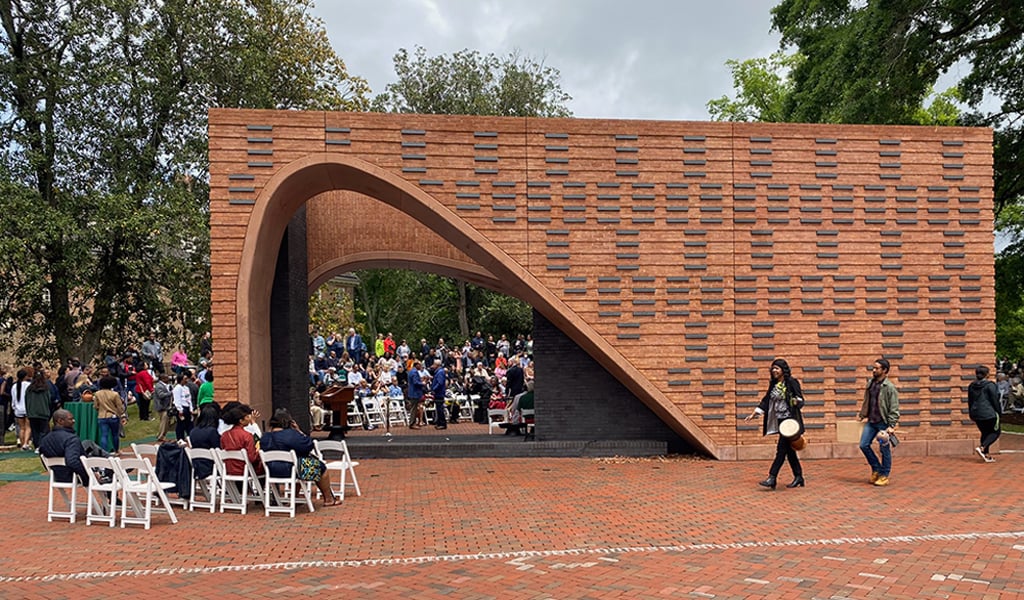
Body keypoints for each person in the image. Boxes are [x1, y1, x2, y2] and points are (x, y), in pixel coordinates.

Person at [745, 358, 805, 490]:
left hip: (790, 422)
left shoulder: (791, 382)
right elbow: (766, 400)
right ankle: (799, 476)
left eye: (777, 368)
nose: (774, 371)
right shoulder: (773, 384)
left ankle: (772, 477)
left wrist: (795, 401)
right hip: (779, 421)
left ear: (783, 370)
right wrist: (755, 413)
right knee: (789, 451)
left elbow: (801, 400)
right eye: (773, 368)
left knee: (781, 450)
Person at [260, 408, 341, 507]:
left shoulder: (265, 437)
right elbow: (308, 445)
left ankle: (296, 497)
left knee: (298, 463)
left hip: (271, 471)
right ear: (289, 422)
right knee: (321, 468)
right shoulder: (291, 434)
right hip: (293, 470)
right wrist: (299, 431)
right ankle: (328, 498)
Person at [858, 358, 900, 486]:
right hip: (871, 421)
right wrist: (862, 415)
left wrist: (891, 425)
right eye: (873, 368)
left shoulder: (890, 387)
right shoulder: (870, 383)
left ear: (884, 370)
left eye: (877, 368)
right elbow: (867, 401)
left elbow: (894, 407)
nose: (874, 370)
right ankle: (876, 468)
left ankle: (884, 475)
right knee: (863, 445)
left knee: (884, 450)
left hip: (883, 423)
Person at [38, 409, 89, 484]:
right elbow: (72, 462)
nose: (74, 421)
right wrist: (87, 477)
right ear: (60, 421)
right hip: (73, 477)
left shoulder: (45, 440)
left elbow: (43, 459)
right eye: (70, 419)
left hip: (57, 476)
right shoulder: (71, 439)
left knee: (88, 444)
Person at [967, 365, 1001, 463]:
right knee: (995, 432)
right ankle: (982, 447)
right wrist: (998, 411)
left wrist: (971, 413)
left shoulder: (971, 386)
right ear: (987, 374)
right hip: (988, 412)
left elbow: (970, 400)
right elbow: (995, 400)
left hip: (976, 412)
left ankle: (985, 454)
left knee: (985, 433)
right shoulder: (990, 385)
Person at [220, 404, 263, 476]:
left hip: (229, 469)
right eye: (247, 417)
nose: (249, 419)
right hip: (244, 470)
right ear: (241, 421)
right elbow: (252, 458)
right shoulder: (247, 435)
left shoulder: (224, 435)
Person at [93, 375, 126, 454]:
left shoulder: (97, 394)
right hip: (113, 416)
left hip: (101, 416)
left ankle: (104, 452)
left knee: (104, 435)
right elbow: (120, 407)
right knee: (115, 434)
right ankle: (116, 450)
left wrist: (100, 410)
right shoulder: (115, 394)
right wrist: (122, 415)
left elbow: (95, 406)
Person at [188, 403, 222, 479]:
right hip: (210, 466)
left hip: (196, 465)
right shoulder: (212, 431)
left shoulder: (193, 431)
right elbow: (218, 449)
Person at [25, 369, 53, 450]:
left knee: (35, 430)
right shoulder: (46, 388)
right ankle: (41, 445)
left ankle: (37, 445)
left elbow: (27, 400)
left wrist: (29, 411)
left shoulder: (29, 389)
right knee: (43, 430)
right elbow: (49, 400)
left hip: (32, 413)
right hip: (43, 412)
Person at [10, 368, 31, 450]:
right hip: (27, 408)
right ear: (25, 376)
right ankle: (26, 443)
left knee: (21, 428)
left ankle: (22, 444)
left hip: (18, 409)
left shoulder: (14, 386)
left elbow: (13, 399)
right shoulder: (28, 385)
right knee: (28, 427)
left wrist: (14, 407)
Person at [172, 372, 194, 442]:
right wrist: (180, 410)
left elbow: (189, 399)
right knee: (181, 425)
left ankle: (190, 437)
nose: (187, 380)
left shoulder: (186, 388)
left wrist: (191, 408)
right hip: (182, 408)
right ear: (181, 380)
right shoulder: (177, 388)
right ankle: (180, 439)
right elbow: (177, 400)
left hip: (187, 408)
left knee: (189, 424)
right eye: (185, 379)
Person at [153, 372, 173, 443]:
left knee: (167, 422)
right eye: (167, 378)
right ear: (163, 379)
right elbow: (161, 395)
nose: (168, 379)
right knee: (164, 422)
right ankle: (161, 436)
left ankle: (163, 435)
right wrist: (171, 393)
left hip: (167, 406)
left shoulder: (167, 385)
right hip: (162, 407)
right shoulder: (159, 386)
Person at [407, 360, 426, 428]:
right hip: (414, 393)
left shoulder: (411, 371)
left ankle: (412, 422)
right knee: (414, 409)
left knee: (414, 408)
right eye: (420, 365)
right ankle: (412, 423)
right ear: (416, 365)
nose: (421, 366)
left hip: (412, 392)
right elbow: (415, 382)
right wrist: (422, 383)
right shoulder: (414, 372)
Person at [430, 359, 447, 430]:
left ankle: (442, 423)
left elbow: (439, 383)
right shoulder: (438, 372)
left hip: (439, 393)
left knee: (440, 409)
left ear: (437, 365)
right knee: (438, 408)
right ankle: (439, 422)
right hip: (438, 393)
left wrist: (434, 389)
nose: (433, 366)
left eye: (434, 364)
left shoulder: (440, 372)